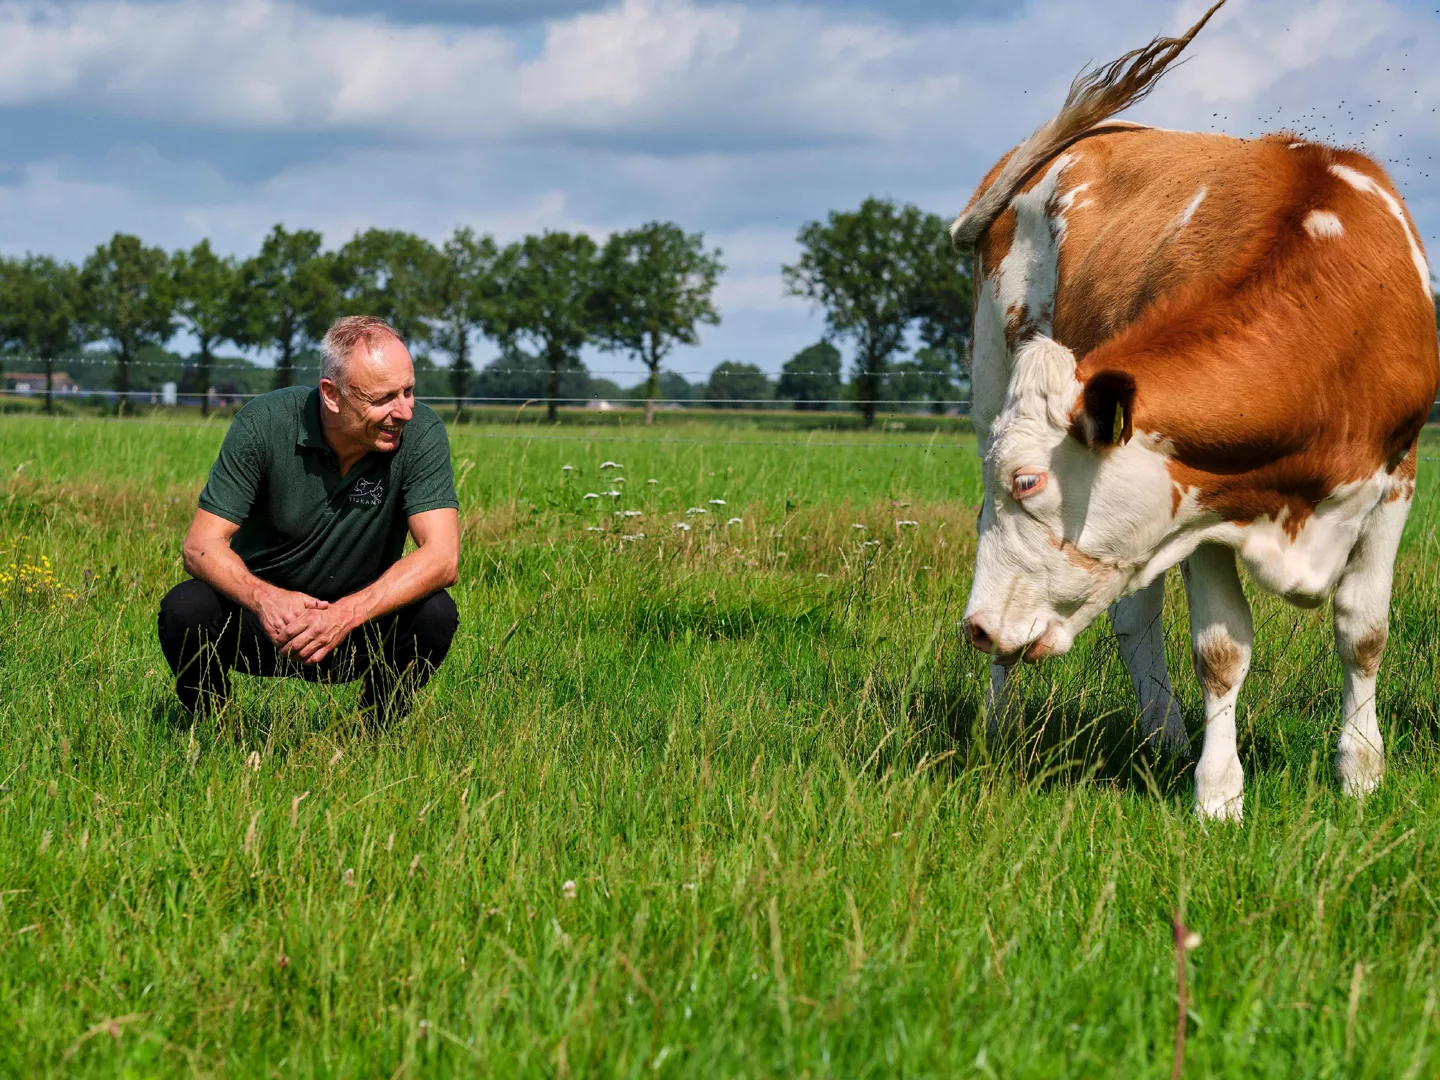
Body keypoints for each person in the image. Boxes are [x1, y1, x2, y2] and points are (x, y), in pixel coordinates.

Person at [157, 315, 460, 724]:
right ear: (331, 395)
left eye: (408, 391)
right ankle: (217, 728)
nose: (404, 411)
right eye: (383, 398)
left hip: (357, 626)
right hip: (264, 622)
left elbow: (442, 558)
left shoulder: (421, 434)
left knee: (435, 614)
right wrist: (265, 599)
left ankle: (369, 733)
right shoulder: (265, 423)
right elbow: (199, 546)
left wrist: (345, 614)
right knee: (185, 607)